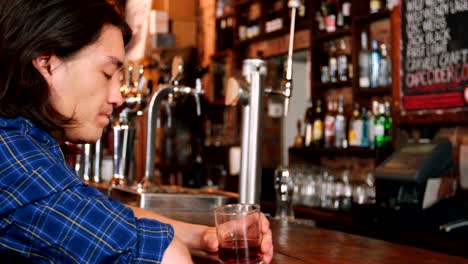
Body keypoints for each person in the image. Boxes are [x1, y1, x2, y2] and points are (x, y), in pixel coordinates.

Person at [0, 0, 274, 263]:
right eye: (107, 73)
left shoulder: (24, 140)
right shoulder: (13, 157)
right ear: (47, 63)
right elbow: (164, 258)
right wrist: (173, 247)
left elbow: (97, 213)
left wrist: (204, 237)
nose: (118, 97)